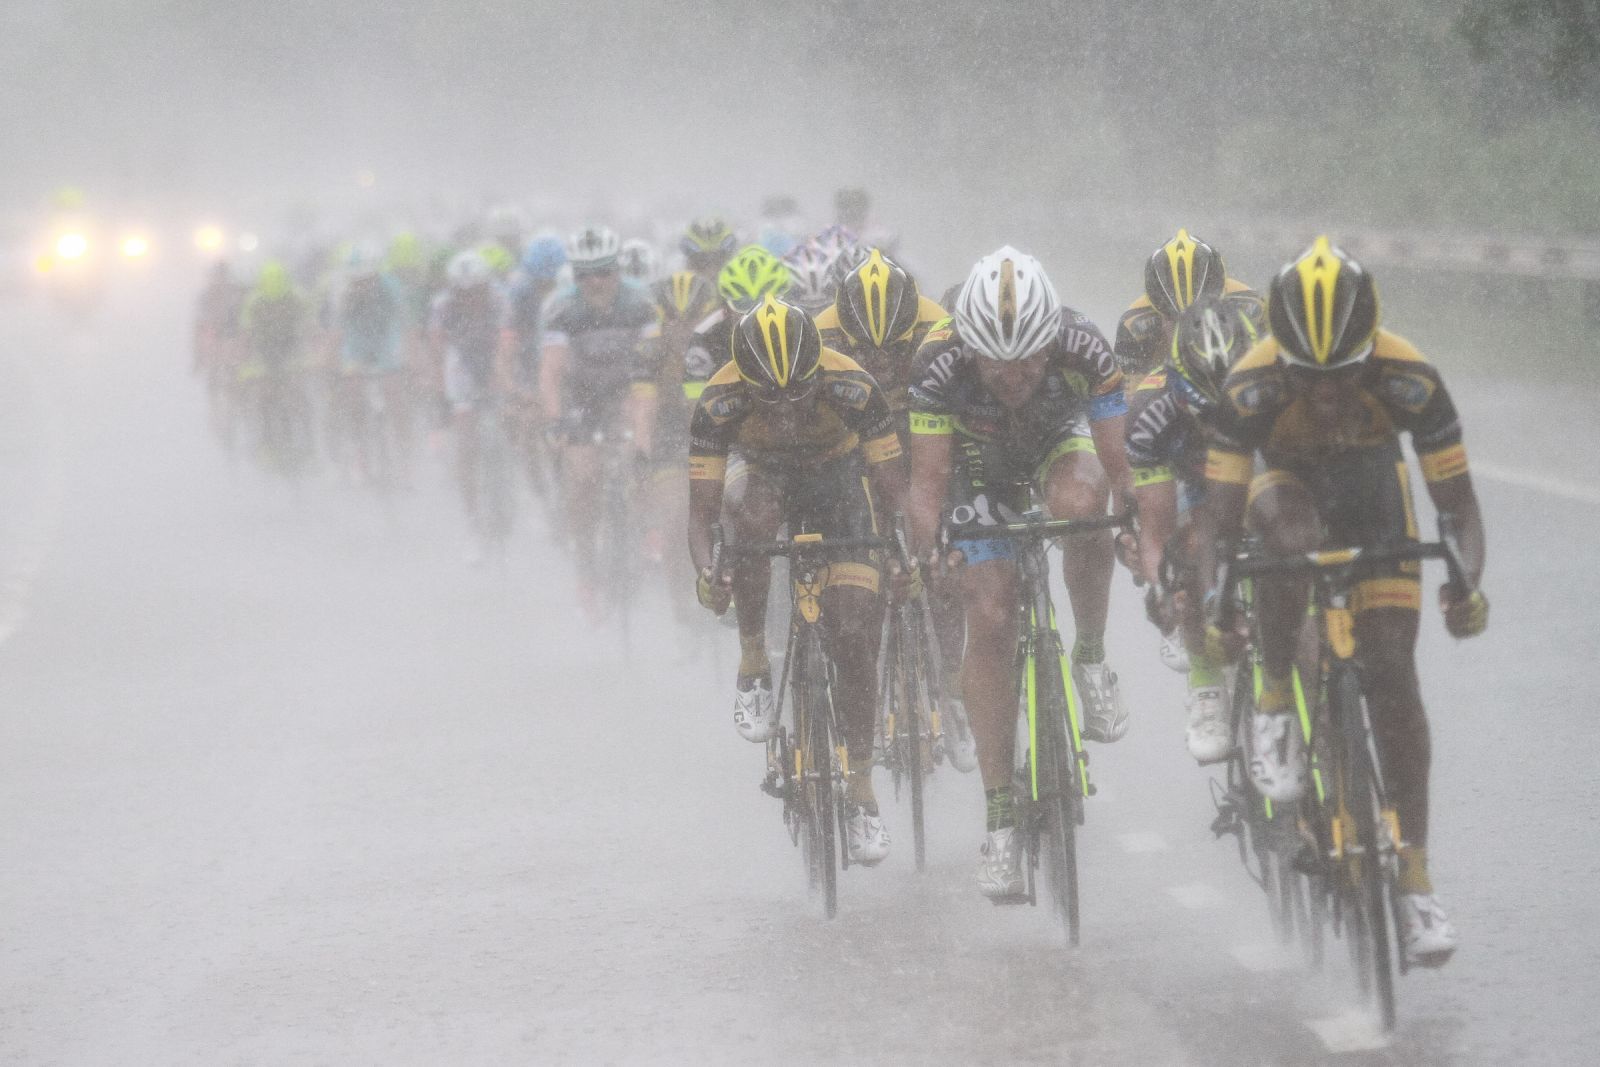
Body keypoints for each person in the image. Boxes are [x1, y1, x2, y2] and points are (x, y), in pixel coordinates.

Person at [1193, 236, 1488, 965]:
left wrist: (1466, 580)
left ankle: (1415, 878)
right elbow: (1219, 523)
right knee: (1287, 538)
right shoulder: (1250, 385)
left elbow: (1458, 509)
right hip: (1281, 481)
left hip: (1370, 489)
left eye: (1343, 375)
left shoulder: (1409, 375)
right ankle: (1271, 700)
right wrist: (1214, 600)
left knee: (1392, 671)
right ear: (1282, 356)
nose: (1326, 392)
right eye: (1308, 376)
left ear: (1370, 352)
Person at [905, 246, 1133, 899]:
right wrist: (933, 552)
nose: (1015, 376)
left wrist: (1134, 526)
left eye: (1031, 359)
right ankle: (1001, 819)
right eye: (997, 364)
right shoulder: (936, 362)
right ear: (969, 347)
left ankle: (1089, 657)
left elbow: (1123, 471)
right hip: (974, 470)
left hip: (1052, 445)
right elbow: (926, 487)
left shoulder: (1086, 345)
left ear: (1052, 339)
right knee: (993, 610)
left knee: (1085, 507)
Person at [686, 295, 907, 865]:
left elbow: (891, 489)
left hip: (837, 475)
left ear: (818, 371)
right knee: (750, 520)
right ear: (744, 380)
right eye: (769, 394)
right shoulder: (719, 399)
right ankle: (755, 660)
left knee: (855, 639)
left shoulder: (853, 385)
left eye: (799, 391)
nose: (784, 406)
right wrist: (709, 569)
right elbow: (702, 514)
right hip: (760, 473)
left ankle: (861, 792)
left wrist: (904, 553)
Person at [814, 249, 978, 773]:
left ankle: (953, 686)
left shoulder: (942, 329)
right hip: (851, 444)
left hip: (924, 436)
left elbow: (971, 410)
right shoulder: (819, 338)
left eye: (895, 351)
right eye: (869, 352)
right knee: (866, 564)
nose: (882, 364)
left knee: (945, 564)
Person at [1124, 296, 1260, 762]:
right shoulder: (1150, 410)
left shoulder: (1277, 383)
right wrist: (1164, 587)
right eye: (1203, 413)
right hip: (1193, 482)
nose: (1214, 425)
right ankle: (1206, 688)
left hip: (1263, 470)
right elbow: (1156, 532)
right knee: (1189, 555)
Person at [539, 226, 661, 612]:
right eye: (585, 274)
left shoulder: (640, 304)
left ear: (618, 271)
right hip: (582, 397)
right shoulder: (562, 308)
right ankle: (587, 569)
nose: (595, 282)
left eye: (604, 272)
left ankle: (648, 528)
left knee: (639, 451)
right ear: (575, 276)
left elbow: (653, 363)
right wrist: (556, 419)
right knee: (582, 479)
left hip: (627, 391)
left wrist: (645, 423)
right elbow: (551, 371)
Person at [429, 249, 511, 558]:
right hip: (461, 362)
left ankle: (511, 486)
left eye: (476, 291)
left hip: (494, 357)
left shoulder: (500, 300)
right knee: (466, 442)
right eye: (463, 293)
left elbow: (507, 344)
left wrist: (502, 380)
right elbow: (438, 351)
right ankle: (474, 524)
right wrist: (440, 394)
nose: (470, 298)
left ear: (486, 287)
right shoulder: (442, 306)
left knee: (509, 416)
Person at [1115, 229, 1264, 387]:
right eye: (1173, 323)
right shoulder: (1133, 323)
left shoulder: (1252, 306)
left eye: (1199, 323)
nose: (1184, 336)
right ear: (1157, 311)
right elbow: (1130, 397)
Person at [331, 242, 411, 484]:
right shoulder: (343, 290)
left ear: (376, 274)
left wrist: (411, 356)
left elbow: (405, 321)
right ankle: (359, 452)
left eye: (366, 280)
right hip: (356, 343)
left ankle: (404, 457)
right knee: (353, 391)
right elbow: (337, 329)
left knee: (394, 392)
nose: (362, 285)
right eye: (357, 281)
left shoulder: (391, 286)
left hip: (386, 339)